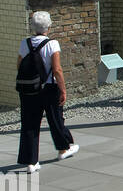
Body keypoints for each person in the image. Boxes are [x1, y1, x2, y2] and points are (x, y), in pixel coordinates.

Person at [17, 11, 78, 173]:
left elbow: (19, 65)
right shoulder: (52, 44)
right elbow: (57, 69)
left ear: (32, 26)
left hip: (29, 89)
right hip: (49, 88)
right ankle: (63, 149)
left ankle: (31, 162)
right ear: (48, 27)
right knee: (56, 118)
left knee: (29, 124)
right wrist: (63, 89)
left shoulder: (25, 43)